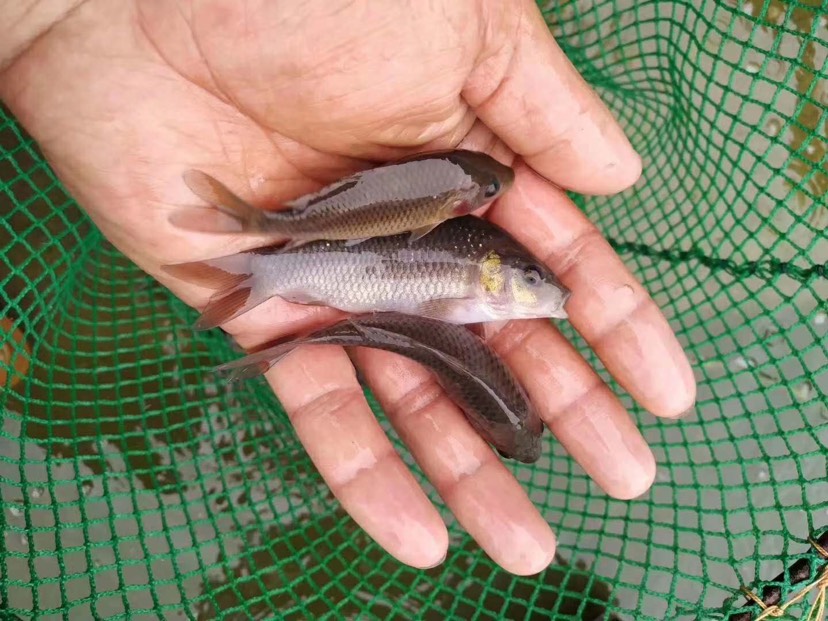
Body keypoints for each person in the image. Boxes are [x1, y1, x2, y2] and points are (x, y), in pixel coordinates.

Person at [0, 0, 695, 575]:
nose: (549, 293)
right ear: (499, 273)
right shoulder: (464, 259)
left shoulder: (463, 255)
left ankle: (264, 267)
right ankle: (264, 266)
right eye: (533, 281)